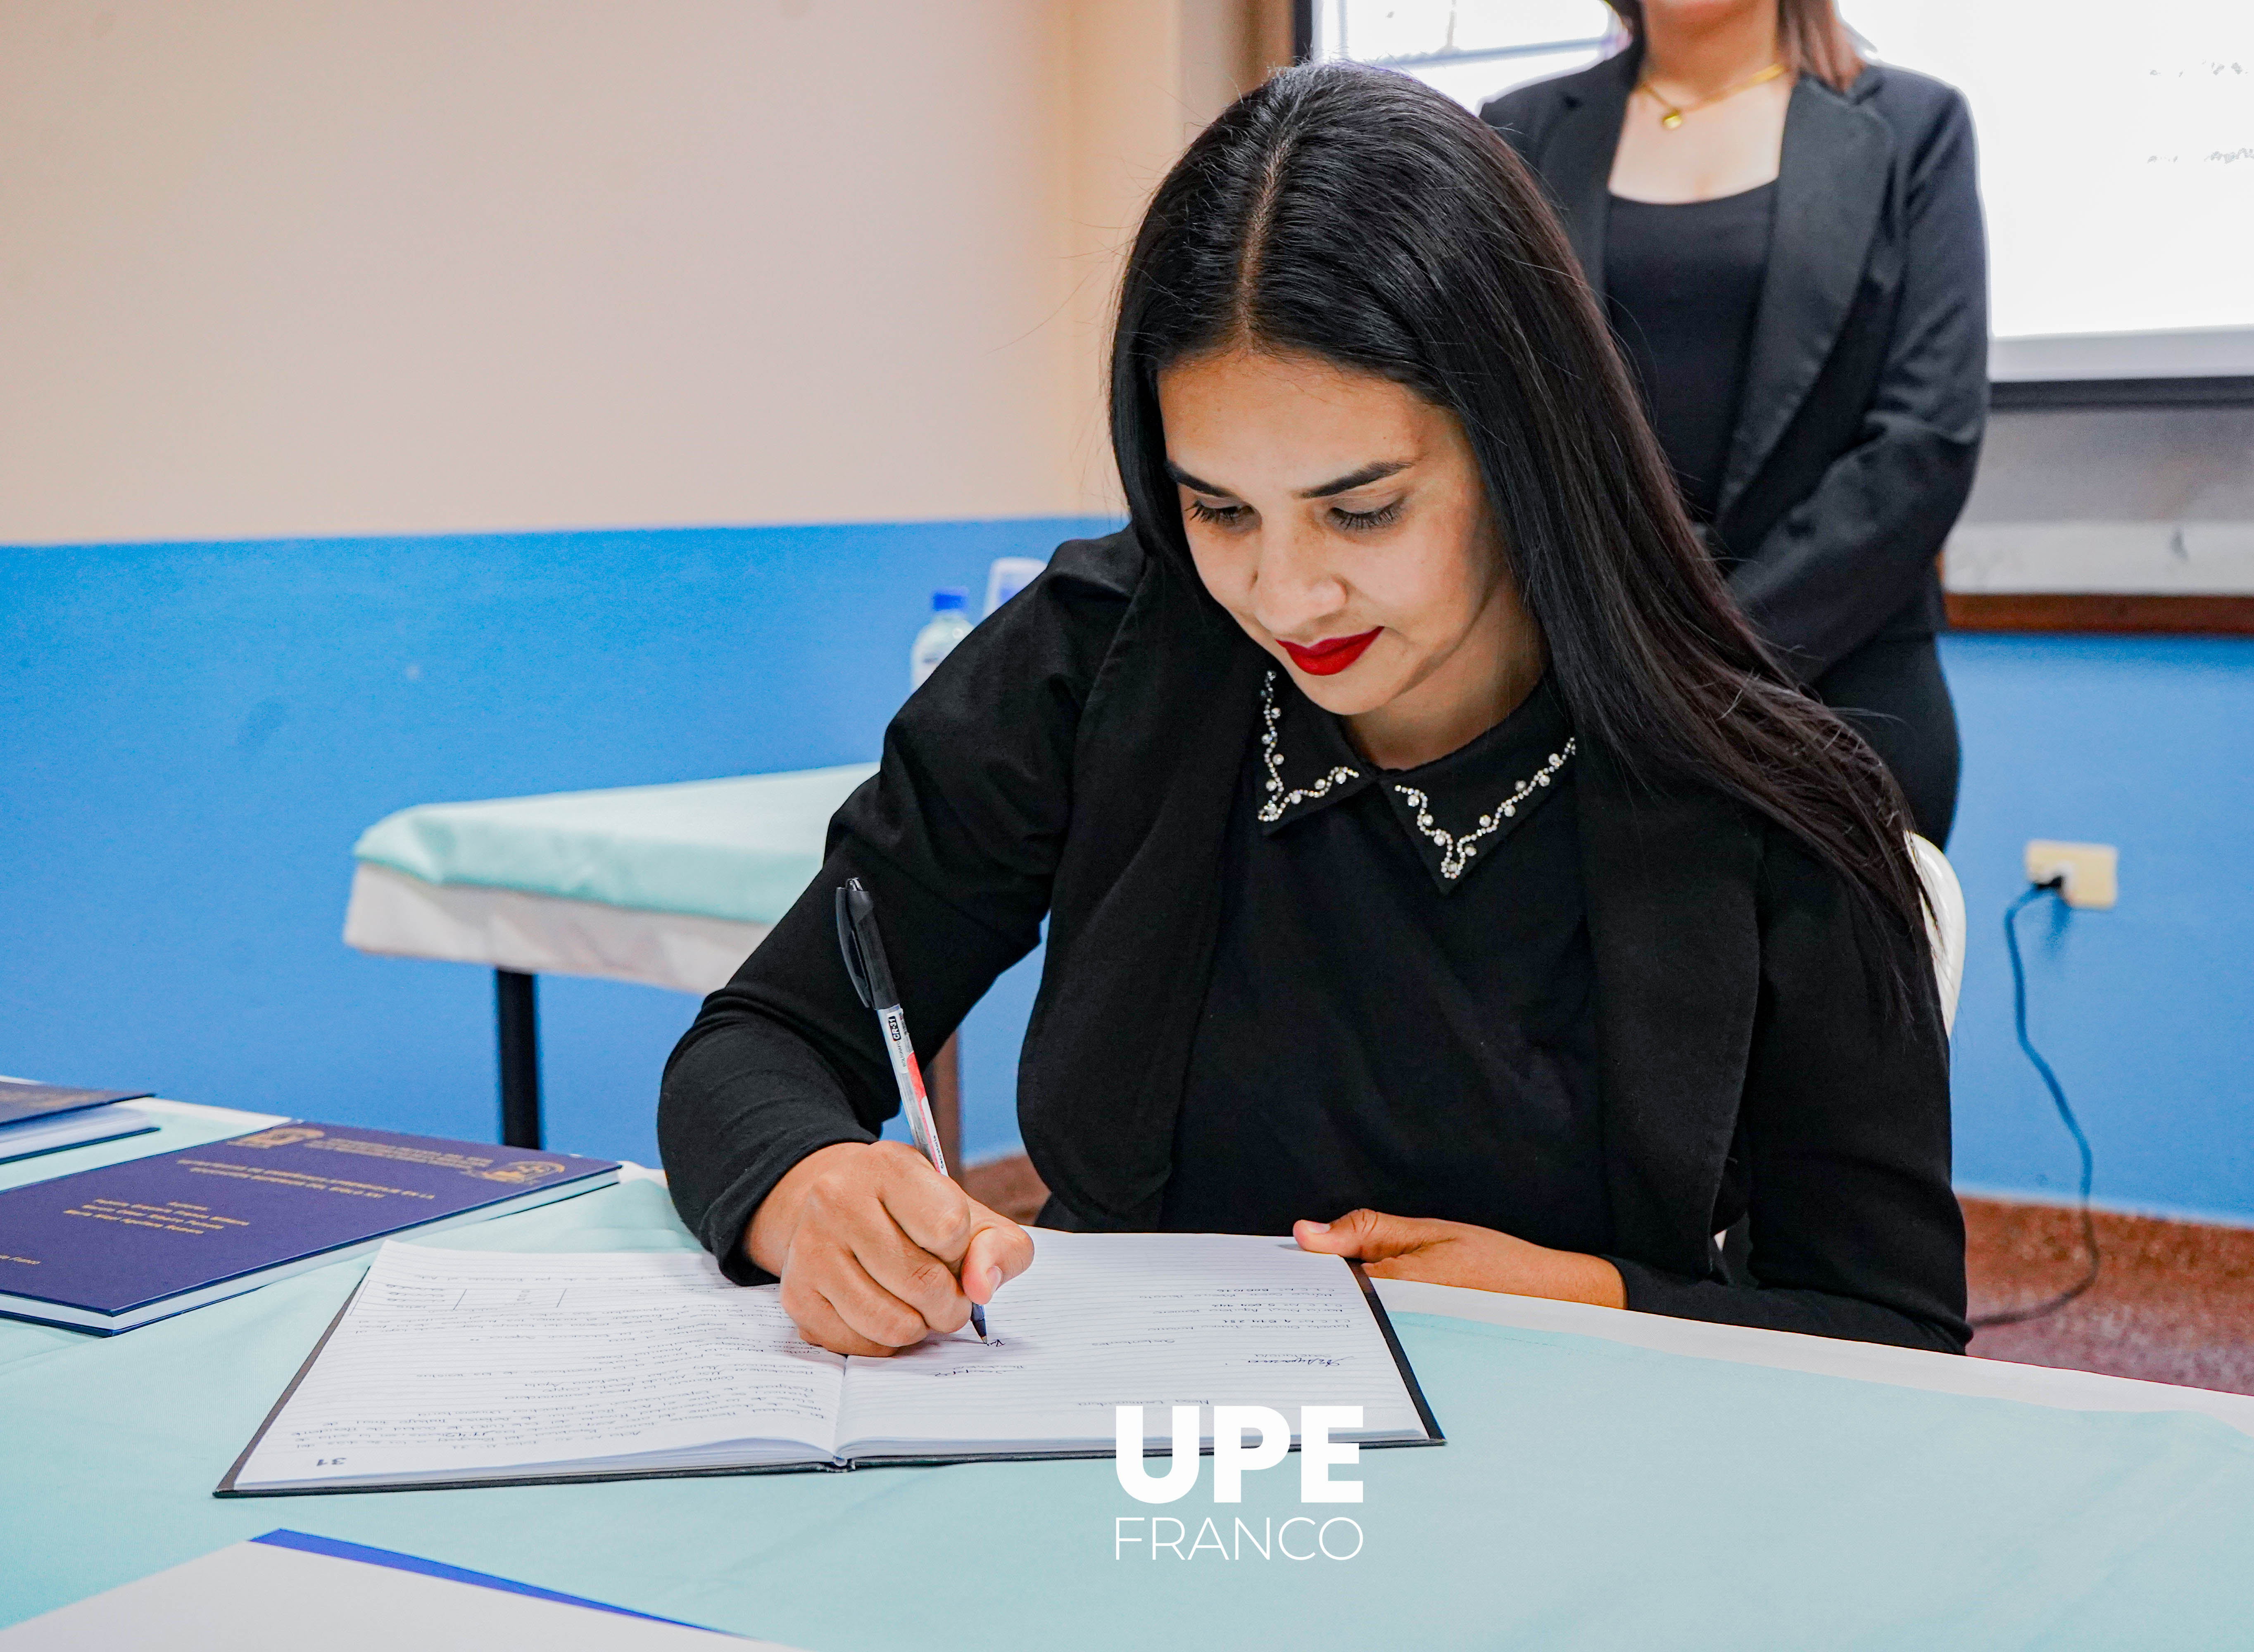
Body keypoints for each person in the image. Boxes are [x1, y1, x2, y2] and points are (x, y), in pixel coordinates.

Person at [657, 62, 1969, 1359]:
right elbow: (759, 1040)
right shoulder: (1095, 663)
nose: (1285, 594)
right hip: (1137, 1465)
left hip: (1568, 1482)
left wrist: (1590, 1303)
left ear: (1523, 447)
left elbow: (1889, 1328)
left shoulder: (1765, 798)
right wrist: (810, 1188)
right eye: (1219, 508)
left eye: (1363, 508)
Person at [1481, 0, 1985, 845]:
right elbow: (1491, 411)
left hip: (1842, 691)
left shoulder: (1912, 128)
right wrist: (1619, 662)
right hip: (1584, 698)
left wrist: (1698, 660)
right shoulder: (1520, 131)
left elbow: (1925, 443)